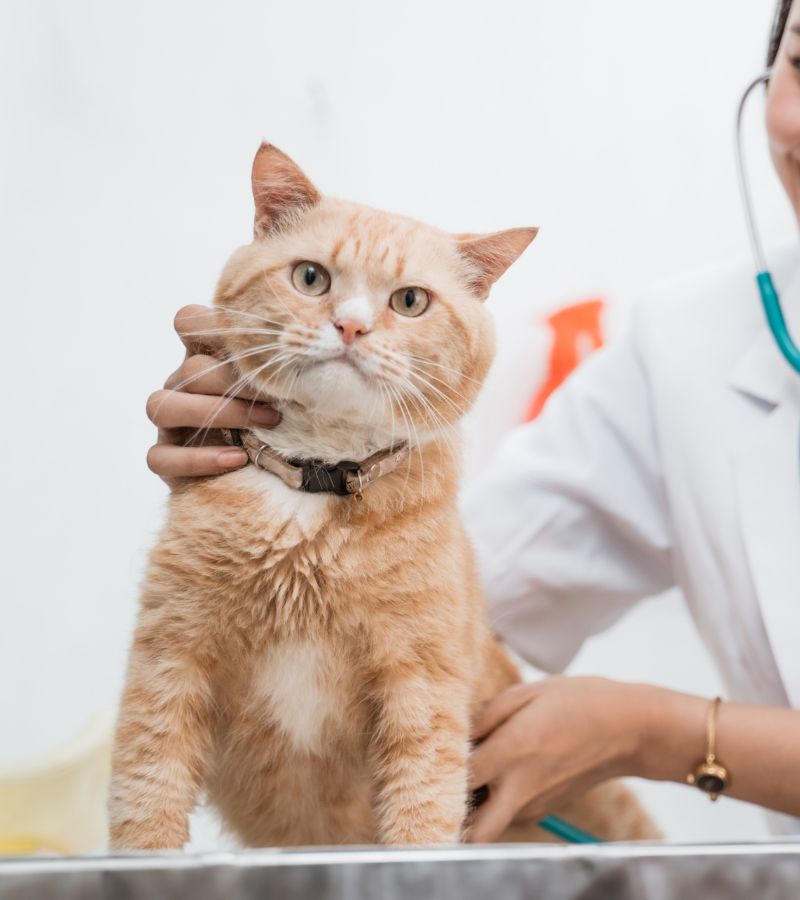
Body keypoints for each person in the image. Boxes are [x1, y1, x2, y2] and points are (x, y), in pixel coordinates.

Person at [145, 0, 800, 841]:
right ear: (767, 68)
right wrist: (280, 462)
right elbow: (445, 592)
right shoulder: (685, 344)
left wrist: (662, 733)